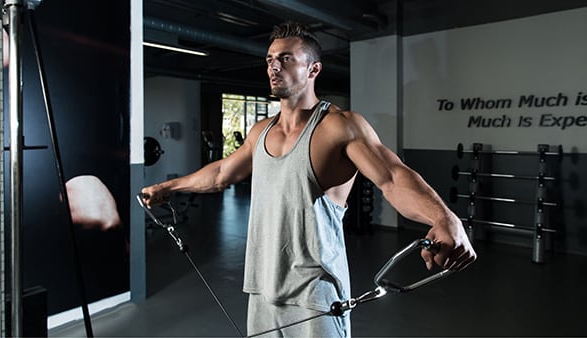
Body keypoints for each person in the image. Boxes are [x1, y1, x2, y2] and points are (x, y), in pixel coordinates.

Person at [141, 21, 476, 338]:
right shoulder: (261, 132)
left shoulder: (339, 126)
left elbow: (392, 178)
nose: (274, 66)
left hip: (316, 294)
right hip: (262, 290)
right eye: (270, 59)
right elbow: (220, 173)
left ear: (313, 69)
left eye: (286, 59)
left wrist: (443, 217)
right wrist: (166, 187)